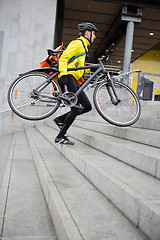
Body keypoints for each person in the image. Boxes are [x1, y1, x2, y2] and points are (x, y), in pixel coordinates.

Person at [54, 22, 98, 145]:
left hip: (74, 79)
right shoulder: (78, 43)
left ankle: (60, 119)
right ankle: (60, 137)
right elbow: (63, 58)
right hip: (68, 77)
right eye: (93, 34)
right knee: (75, 107)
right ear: (87, 33)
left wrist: (92, 69)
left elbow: (79, 66)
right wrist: (62, 75)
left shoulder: (84, 47)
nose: (95, 37)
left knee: (87, 106)